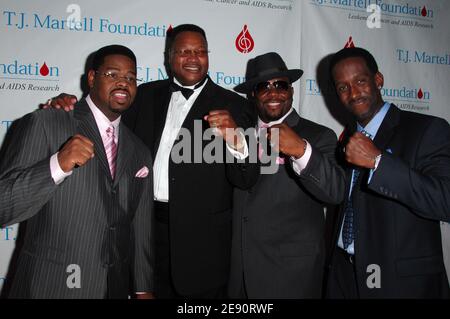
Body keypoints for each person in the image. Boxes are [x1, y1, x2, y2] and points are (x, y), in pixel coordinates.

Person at [44, 24, 255, 298]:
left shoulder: (235, 105)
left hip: (203, 245)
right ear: (169, 56)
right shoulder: (141, 95)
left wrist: (237, 140)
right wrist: (67, 106)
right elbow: (102, 119)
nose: (193, 58)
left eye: (200, 51)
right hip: (144, 231)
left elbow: (247, 179)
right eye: (184, 51)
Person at [0, 45, 154, 298]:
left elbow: (141, 227)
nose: (123, 83)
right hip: (49, 287)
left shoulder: (140, 151)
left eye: (130, 77)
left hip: (112, 289)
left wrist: (143, 288)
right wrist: (57, 165)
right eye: (113, 74)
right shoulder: (46, 123)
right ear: (92, 78)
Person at [326, 47, 450, 298]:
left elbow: (445, 201)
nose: (353, 93)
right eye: (342, 87)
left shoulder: (427, 129)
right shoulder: (346, 141)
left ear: (378, 80)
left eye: (360, 81)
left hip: (401, 286)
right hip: (344, 278)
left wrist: (379, 162)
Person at [228, 52, 346, 298]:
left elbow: (335, 192)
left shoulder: (319, 135)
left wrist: (301, 151)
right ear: (252, 94)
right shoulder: (237, 135)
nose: (273, 93)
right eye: (264, 86)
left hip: (292, 274)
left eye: (281, 85)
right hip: (240, 272)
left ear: (291, 90)